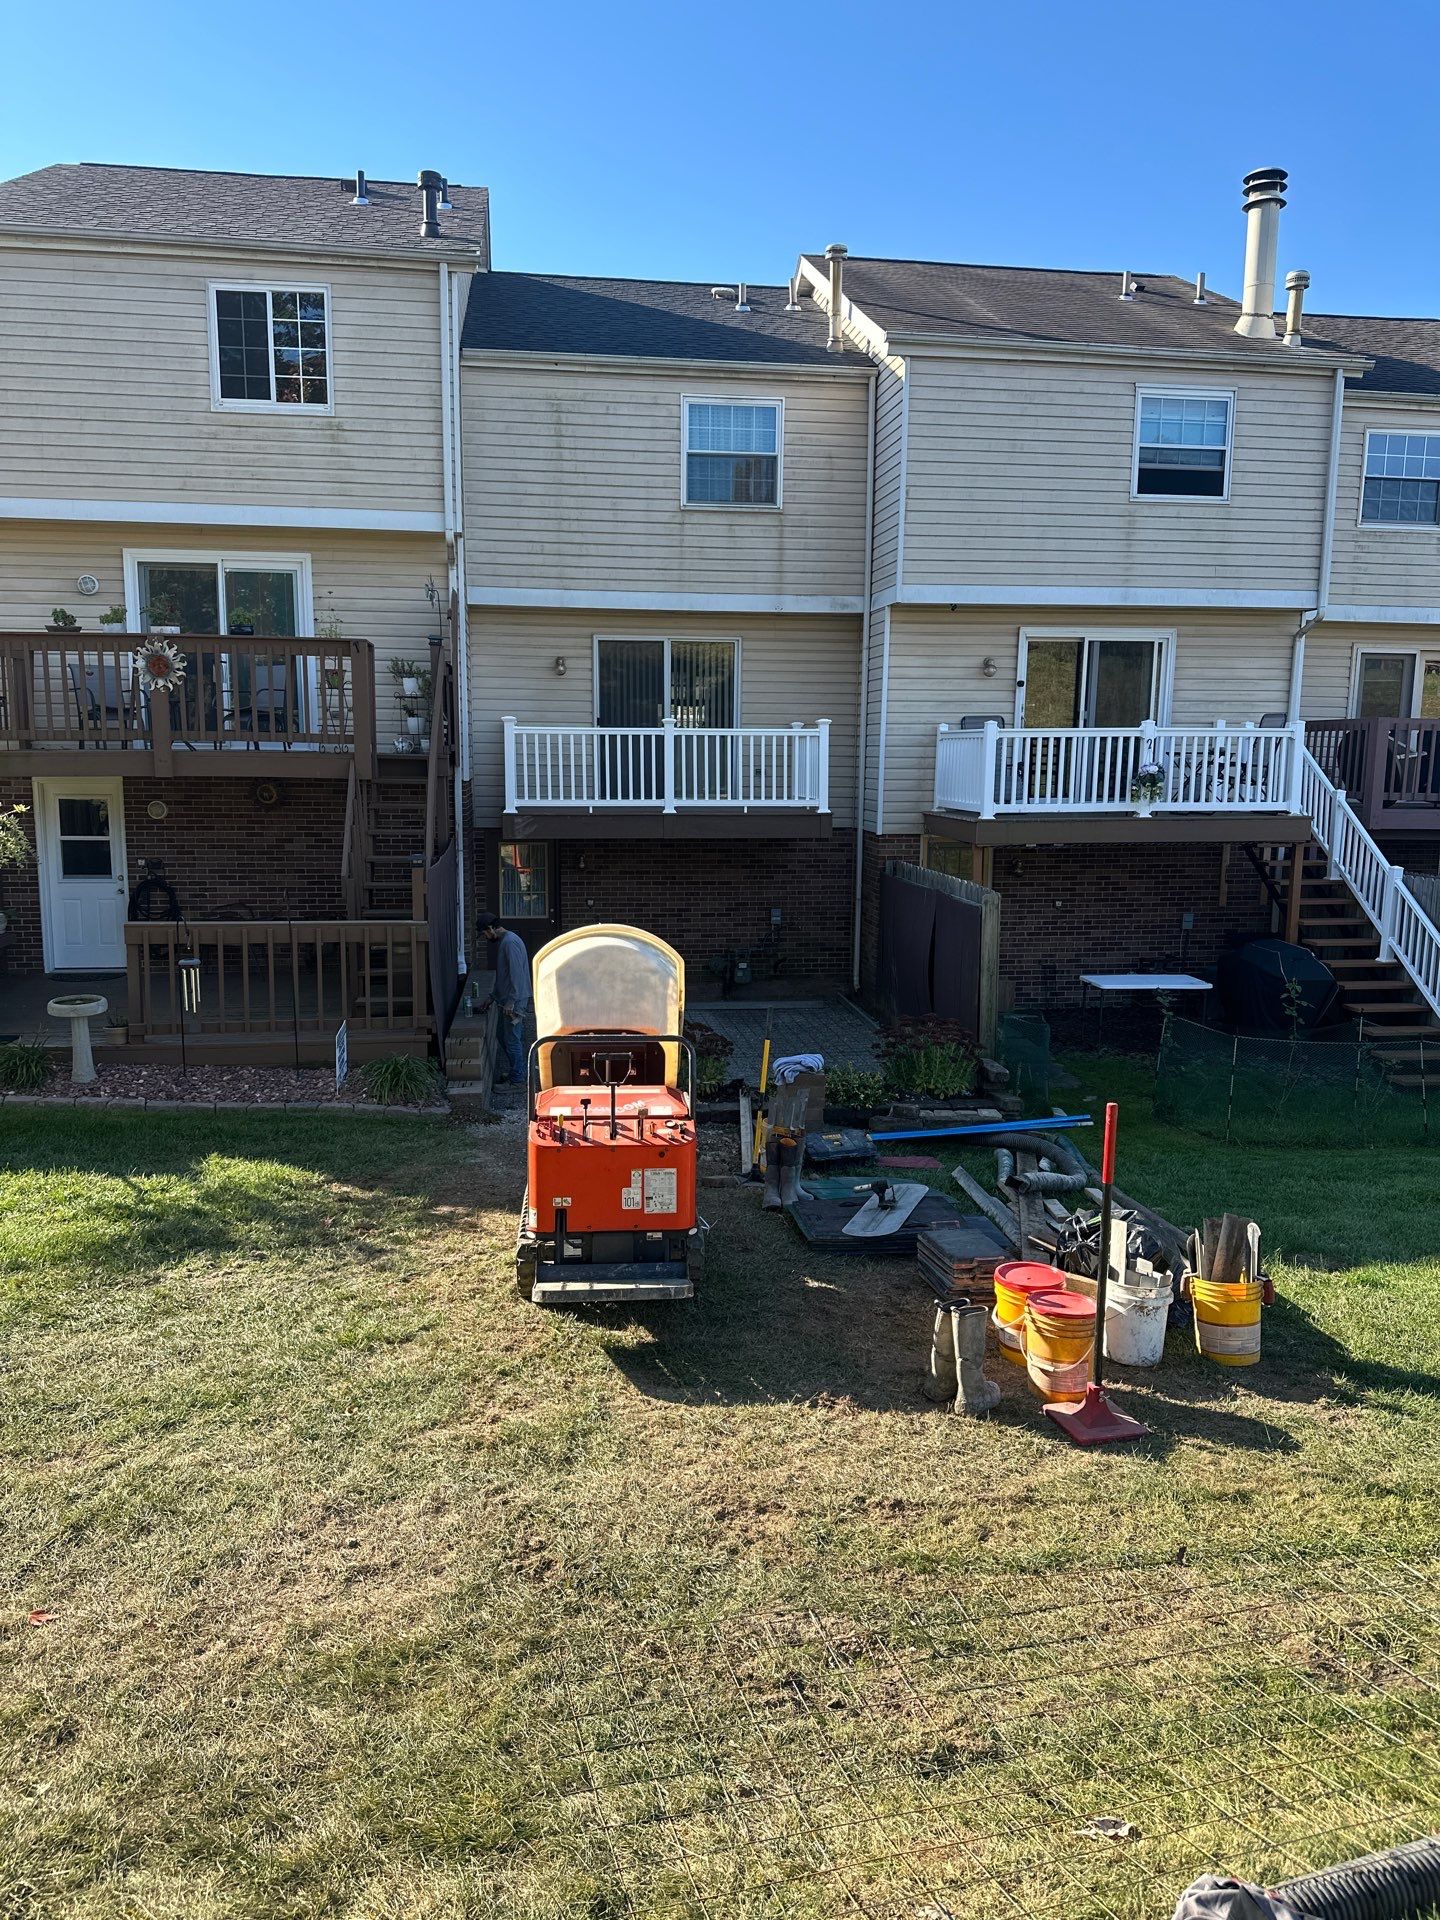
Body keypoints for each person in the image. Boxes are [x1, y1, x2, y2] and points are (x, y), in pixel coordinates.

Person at [477, 912, 532, 1085]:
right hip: (509, 998)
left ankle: (517, 1079)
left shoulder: (510, 943)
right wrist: (492, 997)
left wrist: (511, 1001)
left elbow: (516, 975)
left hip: (515, 1001)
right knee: (502, 1035)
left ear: (491, 928)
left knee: (512, 1039)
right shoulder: (506, 941)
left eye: (485, 933)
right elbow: (504, 976)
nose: (486, 937)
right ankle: (517, 1071)